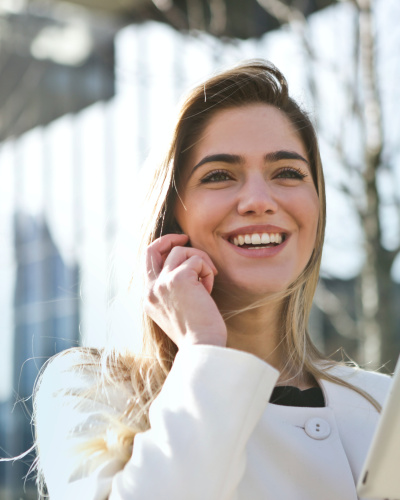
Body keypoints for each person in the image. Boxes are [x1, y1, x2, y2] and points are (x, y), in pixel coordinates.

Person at [33, 60, 391, 500]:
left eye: (288, 173)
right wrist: (202, 349)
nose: (260, 201)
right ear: (170, 218)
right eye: (219, 175)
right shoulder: (91, 391)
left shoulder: (380, 405)